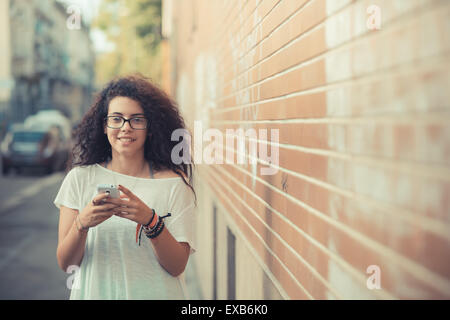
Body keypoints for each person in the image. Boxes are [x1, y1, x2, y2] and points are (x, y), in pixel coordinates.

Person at [54, 75, 197, 299]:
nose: (126, 127)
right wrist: (82, 224)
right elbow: (66, 263)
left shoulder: (173, 185)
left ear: (150, 128)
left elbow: (177, 266)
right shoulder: (79, 179)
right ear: (104, 125)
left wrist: (151, 221)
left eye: (137, 120)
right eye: (117, 119)